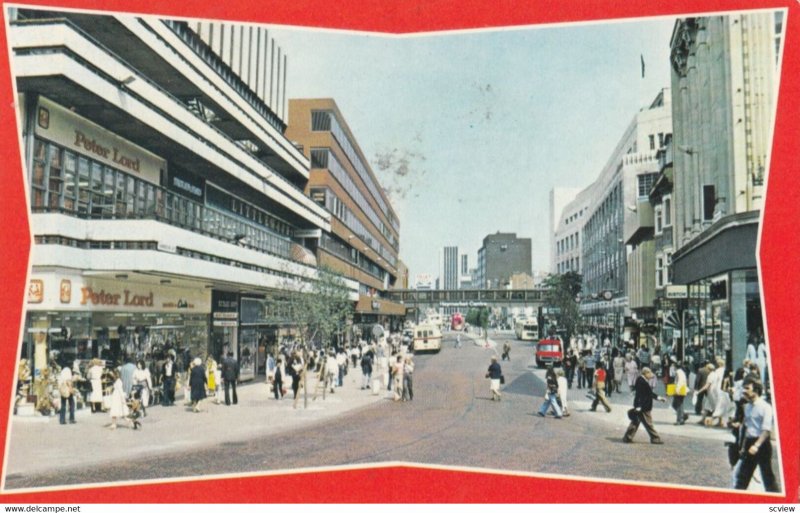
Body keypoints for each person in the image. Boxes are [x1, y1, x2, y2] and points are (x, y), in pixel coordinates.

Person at [734, 381, 779, 492]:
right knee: (742, 477)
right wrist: (744, 446)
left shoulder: (765, 407)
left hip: (762, 445)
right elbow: (748, 428)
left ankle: (777, 500)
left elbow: (766, 430)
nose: (744, 391)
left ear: (756, 391)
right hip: (750, 443)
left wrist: (756, 446)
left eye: (747, 388)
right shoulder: (747, 407)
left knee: (767, 476)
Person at [623, 367, 665, 444]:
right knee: (648, 423)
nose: (651, 375)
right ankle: (655, 438)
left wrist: (659, 398)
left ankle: (627, 437)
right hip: (644, 407)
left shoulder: (642, 380)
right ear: (646, 373)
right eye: (650, 373)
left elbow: (648, 393)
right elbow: (640, 394)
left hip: (642, 406)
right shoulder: (641, 381)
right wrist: (639, 406)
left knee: (635, 421)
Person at [672, 360, 689, 425]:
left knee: (678, 405)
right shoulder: (681, 372)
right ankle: (683, 416)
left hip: (679, 390)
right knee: (678, 404)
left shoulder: (679, 372)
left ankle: (679, 419)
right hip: (681, 389)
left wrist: (677, 389)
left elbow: (680, 381)